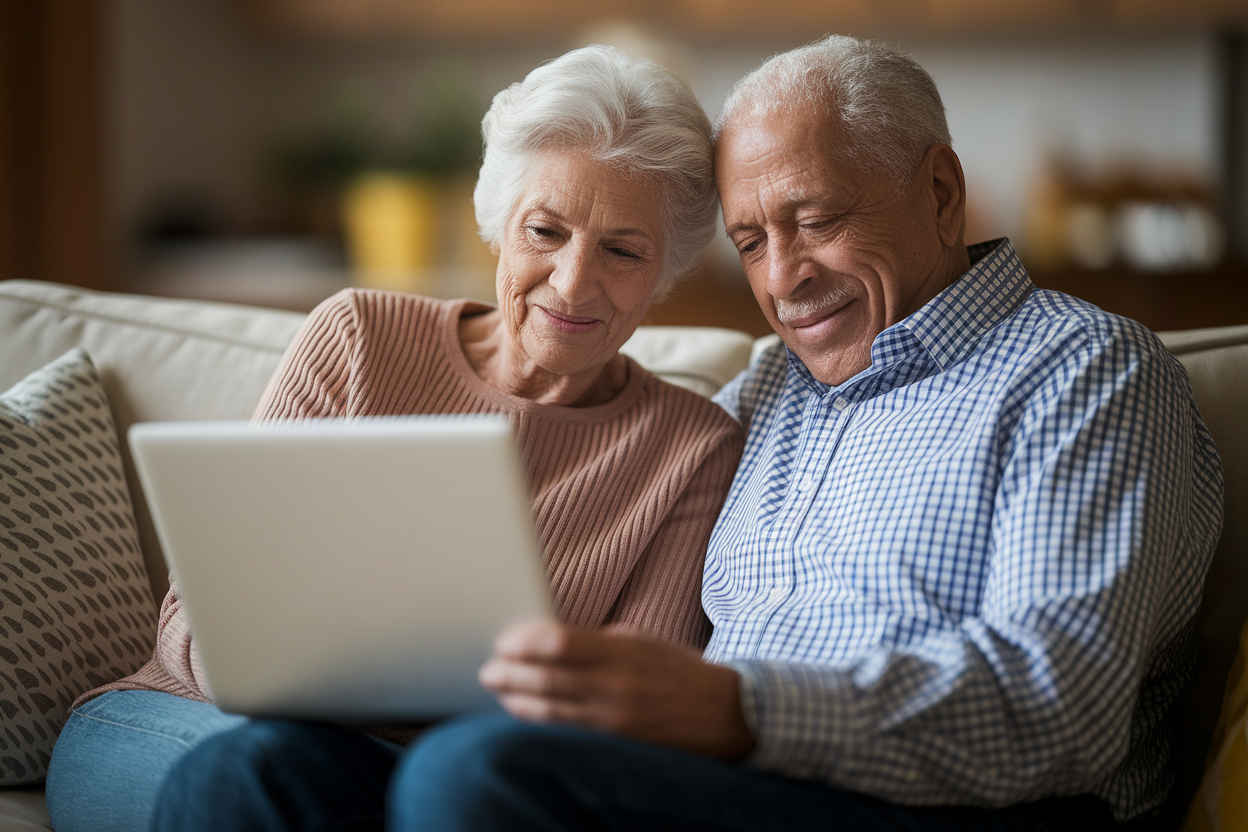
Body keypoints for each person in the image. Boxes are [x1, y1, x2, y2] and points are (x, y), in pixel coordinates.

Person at [333, 35, 1218, 832]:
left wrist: (738, 710)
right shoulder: (767, 390)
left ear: (941, 193)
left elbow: (1059, 701)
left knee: (475, 775)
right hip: (726, 783)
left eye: (817, 221)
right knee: (275, 774)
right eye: (750, 242)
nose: (785, 279)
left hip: (963, 806)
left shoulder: (1085, 370)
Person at [43, 44, 744, 832]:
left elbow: (621, 716)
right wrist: (276, 669)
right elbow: (197, 617)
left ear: (668, 269)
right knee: (260, 770)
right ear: (497, 226)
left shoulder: (693, 449)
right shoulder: (357, 337)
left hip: (421, 783)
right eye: (545, 231)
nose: (574, 280)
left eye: (622, 250)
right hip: (191, 721)